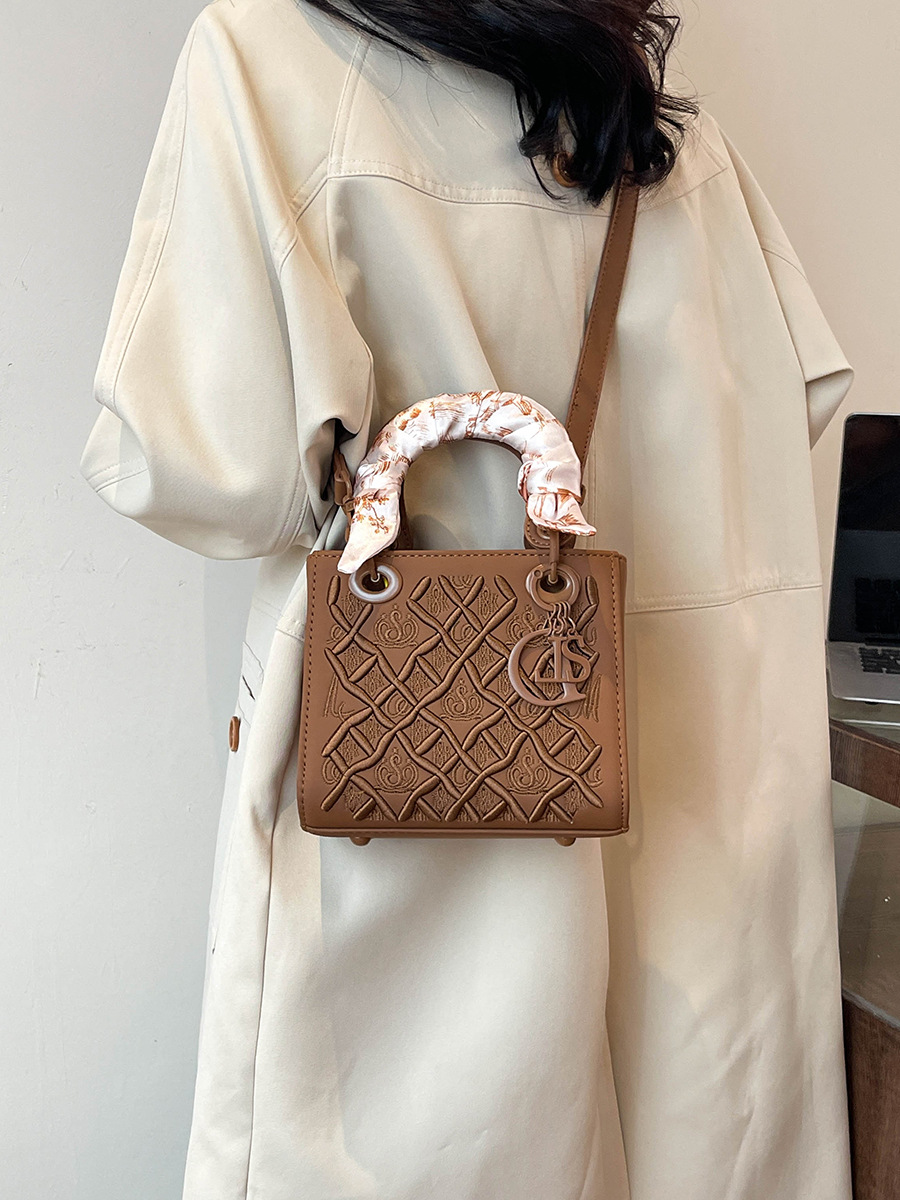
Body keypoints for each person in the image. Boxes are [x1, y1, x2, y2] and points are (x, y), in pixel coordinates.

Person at [79, 1, 854, 1197]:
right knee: (708, 1124)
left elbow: (200, 470)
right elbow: (797, 402)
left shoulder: (267, 53)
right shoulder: (672, 135)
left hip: (416, 804)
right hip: (709, 791)